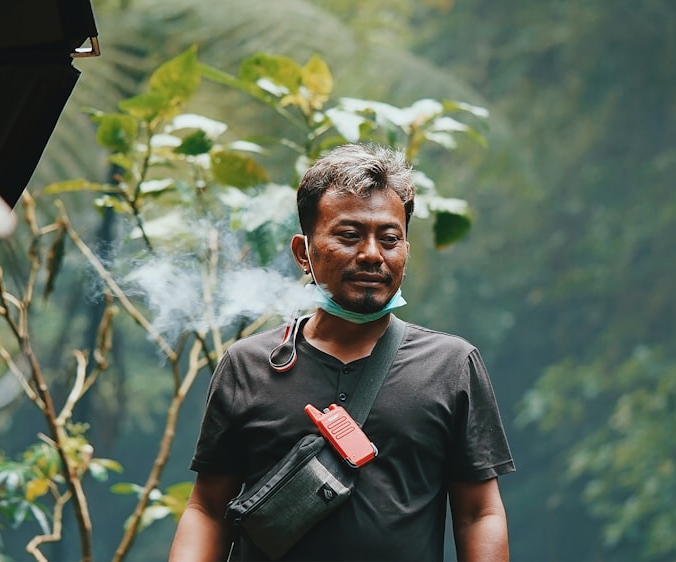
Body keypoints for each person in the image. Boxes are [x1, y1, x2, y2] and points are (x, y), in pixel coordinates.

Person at [169, 143, 515, 561]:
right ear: (303, 252)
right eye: (349, 236)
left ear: (405, 249)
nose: (372, 254)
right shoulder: (248, 365)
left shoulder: (451, 365)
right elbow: (207, 509)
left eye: (389, 238)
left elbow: (479, 513)